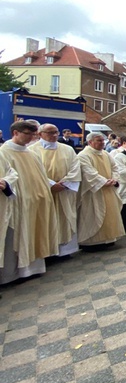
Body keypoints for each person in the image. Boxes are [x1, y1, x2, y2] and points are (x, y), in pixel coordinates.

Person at [0, 121, 58, 284]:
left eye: (33, 135)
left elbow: (41, 176)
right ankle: (11, 275)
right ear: (15, 133)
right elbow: (9, 177)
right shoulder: (4, 152)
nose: (31, 138)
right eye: (28, 134)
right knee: (17, 237)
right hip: (18, 203)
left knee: (35, 233)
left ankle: (34, 269)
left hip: (37, 202)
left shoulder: (32, 153)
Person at [29, 123, 82, 256]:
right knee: (45, 220)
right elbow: (32, 172)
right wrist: (51, 184)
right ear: (40, 134)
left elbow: (75, 168)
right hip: (44, 192)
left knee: (65, 218)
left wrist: (64, 184)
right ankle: (47, 252)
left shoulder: (67, 149)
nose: (54, 135)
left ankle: (65, 251)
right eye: (50, 132)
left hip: (64, 191)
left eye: (56, 132)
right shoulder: (31, 150)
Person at [77, 132, 125, 250]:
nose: (102, 143)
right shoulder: (83, 155)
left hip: (109, 188)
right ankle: (92, 242)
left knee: (110, 214)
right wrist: (103, 181)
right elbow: (88, 171)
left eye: (103, 140)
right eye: (99, 141)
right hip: (94, 191)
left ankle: (109, 239)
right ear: (90, 142)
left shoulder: (105, 153)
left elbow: (115, 167)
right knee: (94, 214)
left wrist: (114, 179)